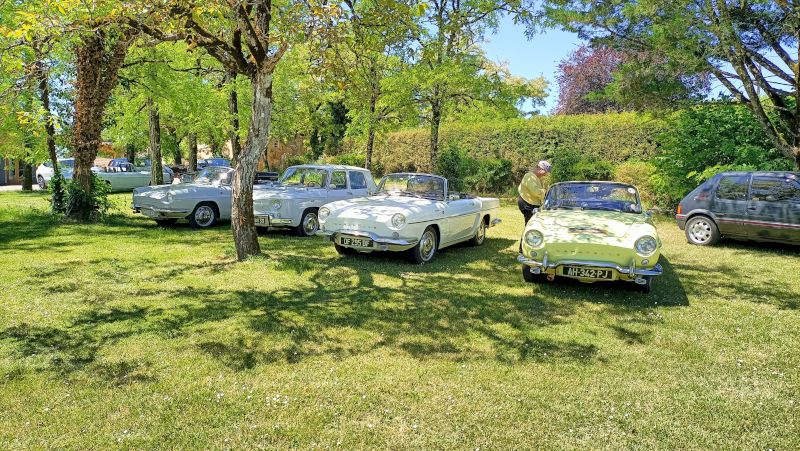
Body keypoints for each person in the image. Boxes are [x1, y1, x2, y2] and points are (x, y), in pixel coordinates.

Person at [517, 160, 551, 226]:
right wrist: (546, 192)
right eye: (545, 172)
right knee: (531, 223)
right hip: (527, 203)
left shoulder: (538, 178)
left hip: (533, 203)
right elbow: (536, 191)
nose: (545, 174)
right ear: (540, 169)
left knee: (536, 222)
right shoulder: (529, 176)